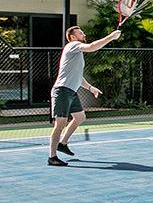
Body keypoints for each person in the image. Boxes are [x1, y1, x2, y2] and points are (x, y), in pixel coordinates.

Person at [48, 24, 123, 166]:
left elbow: (78, 77)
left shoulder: (77, 53)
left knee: (80, 117)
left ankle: (62, 143)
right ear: (73, 37)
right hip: (62, 90)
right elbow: (92, 47)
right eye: (80, 33)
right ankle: (52, 157)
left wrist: (90, 88)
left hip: (71, 91)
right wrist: (111, 37)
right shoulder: (73, 45)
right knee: (60, 124)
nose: (84, 34)